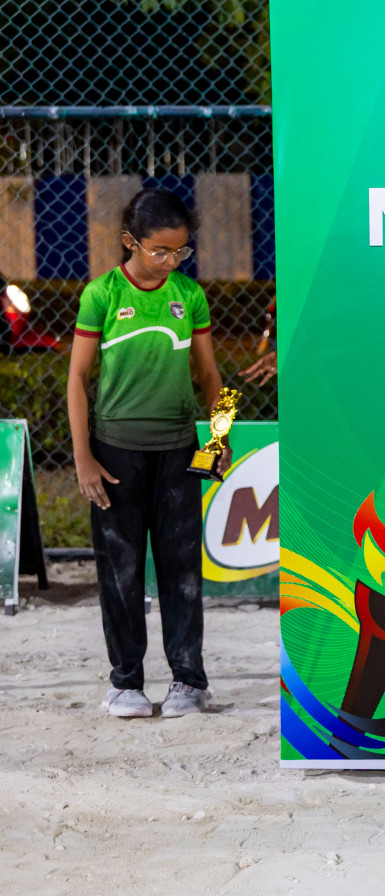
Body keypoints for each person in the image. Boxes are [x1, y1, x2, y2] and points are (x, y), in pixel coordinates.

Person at [67, 188, 229, 719]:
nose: (170, 261)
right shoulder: (102, 294)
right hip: (115, 454)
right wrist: (83, 457)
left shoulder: (190, 295)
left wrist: (219, 437)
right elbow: (76, 378)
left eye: (180, 251)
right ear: (129, 241)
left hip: (179, 451)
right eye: (160, 250)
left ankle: (189, 682)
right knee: (121, 571)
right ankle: (125, 684)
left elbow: (211, 376)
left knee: (183, 570)